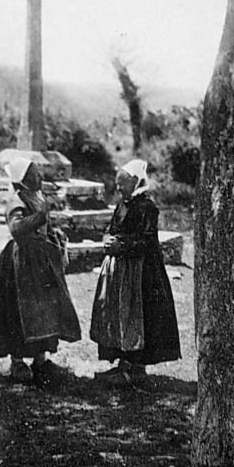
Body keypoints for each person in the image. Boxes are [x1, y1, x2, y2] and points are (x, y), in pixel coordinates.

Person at [0, 158, 81, 385]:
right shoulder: (16, 201)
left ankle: (40, 358)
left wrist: (55, 235)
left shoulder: (37, 197)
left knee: (44, 309)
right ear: (23, 181)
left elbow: (45, 227)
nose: (40, 178)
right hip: (22, 263)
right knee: (20, 310)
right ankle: (17, 361)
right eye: (35, 175)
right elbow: (16, 228)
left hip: (41, 262)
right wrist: (39, 217)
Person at [90, 159, 181, 385]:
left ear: (136, 182)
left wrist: (124, 246)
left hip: (142, 272)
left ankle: (137, 368)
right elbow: (112, 229)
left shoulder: (147, 208)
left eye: (122, 184)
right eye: (117, 184)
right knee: (120, 314)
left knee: (139, 315)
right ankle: (124, 363)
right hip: (120, 271)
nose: (119, 189)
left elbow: (149, 242)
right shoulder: (122, 205)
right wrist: (108, 241)